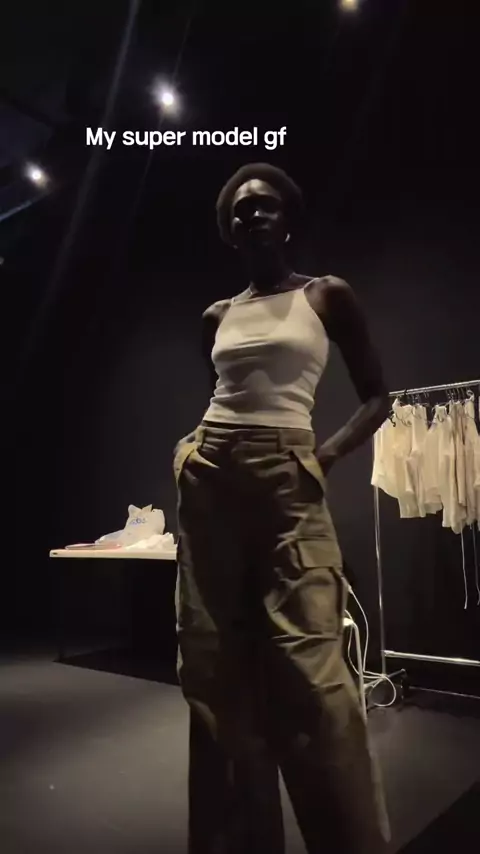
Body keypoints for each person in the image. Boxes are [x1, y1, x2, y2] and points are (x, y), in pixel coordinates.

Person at [173, 162, 391, 854]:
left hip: (286, 472)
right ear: (229, 230)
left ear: (288, 219)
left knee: (314, 671)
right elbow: (224, 392)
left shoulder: (325, 295)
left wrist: (321, 458)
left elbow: (379, 396)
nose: (253, 215)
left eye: (265, 205)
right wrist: (194, 452)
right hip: (212, 475)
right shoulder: (218, 315)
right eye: (240, 211)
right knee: (214, 667)